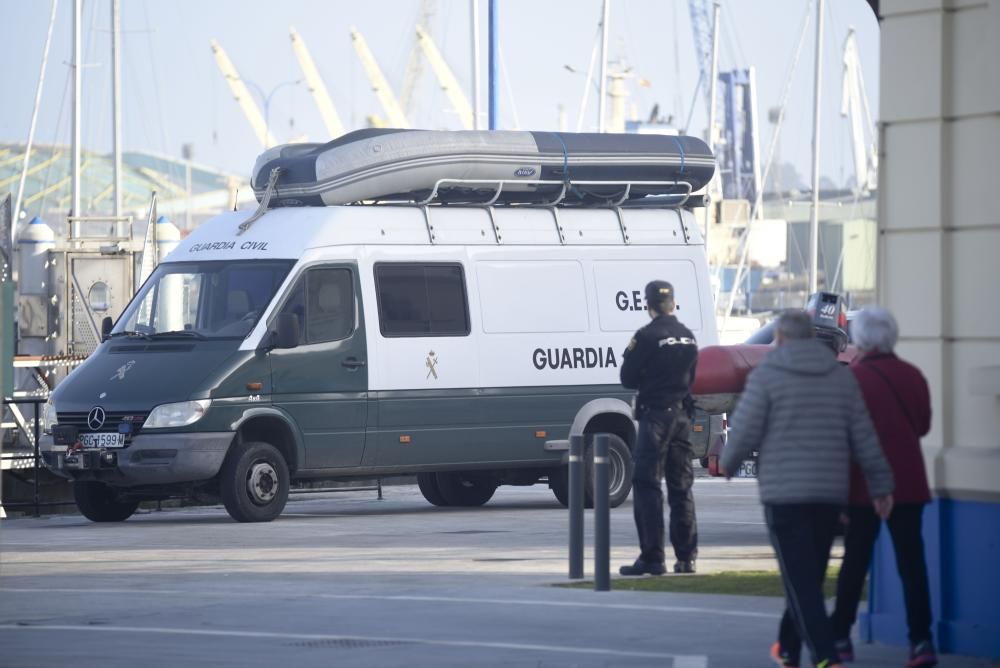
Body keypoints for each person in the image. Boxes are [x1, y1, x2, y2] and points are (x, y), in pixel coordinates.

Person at [721, 309, 894, 668]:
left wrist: (728, 464)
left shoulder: (767, 375)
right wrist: (881, 484)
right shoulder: (840, 376)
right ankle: (787, 649)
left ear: (780, 339)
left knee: (801, 580)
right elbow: (863, 436)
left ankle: (825, 656)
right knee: (807, 576)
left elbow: (745, 429)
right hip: (829, 493)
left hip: (784, 495)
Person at [830, 307, 937, 667]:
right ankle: (921, 641)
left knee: (855, 563)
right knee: (913, 565)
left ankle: (841, 637)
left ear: (861, 338)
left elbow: (843, 437)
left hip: (862, 487)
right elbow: (922, 426)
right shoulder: (913, 375)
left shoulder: (853, 379)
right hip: (908, 483)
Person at [618, 280, 700, 576]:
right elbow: (692, 377)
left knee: (648, 485)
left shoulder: (647, 336)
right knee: (681, 487)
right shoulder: (688, 337)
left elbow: (626, 377)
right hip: (681, 418)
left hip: (655, 418)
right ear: (673, 303)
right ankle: (687, 557)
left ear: (648, 305)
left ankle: (653, 558)